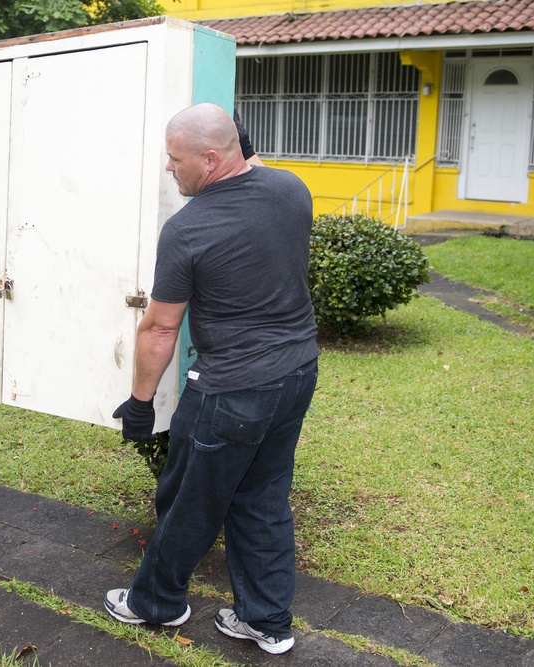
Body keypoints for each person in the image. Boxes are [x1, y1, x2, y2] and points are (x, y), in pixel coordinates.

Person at [105, 103, 319, 655]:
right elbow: (256, 170)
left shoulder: (187, 229)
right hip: (297, 374)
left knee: (187, 500)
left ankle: (157, 603)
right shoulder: (292, 190)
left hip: (230, 389)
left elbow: (159, 328)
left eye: (176, 161)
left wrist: (139, 403)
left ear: (210, 157)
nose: (169, 170)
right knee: (264, 498)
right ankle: (267, 621)